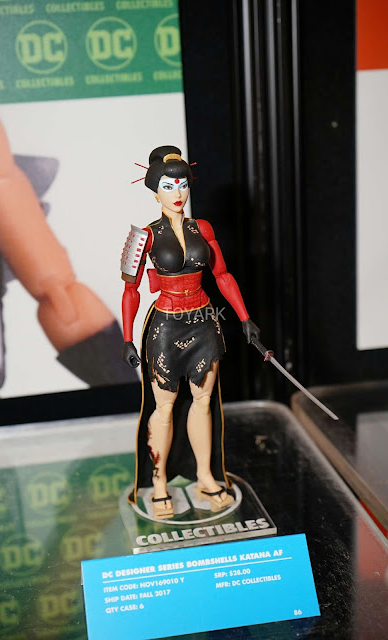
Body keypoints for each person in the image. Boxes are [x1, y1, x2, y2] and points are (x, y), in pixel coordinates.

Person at [121, 145, 259, 519]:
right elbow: (131, 290)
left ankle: (205, 477)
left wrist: (245, 317)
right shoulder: (144, 236)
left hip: (203, 321)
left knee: (203, 401)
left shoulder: (204, 229)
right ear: (155, 191)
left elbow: (222, 275)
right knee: (164, 408)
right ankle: (159, 482)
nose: (177, 193)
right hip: (166, 325)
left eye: (182, 184)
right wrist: (128, 338)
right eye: (168, 186)